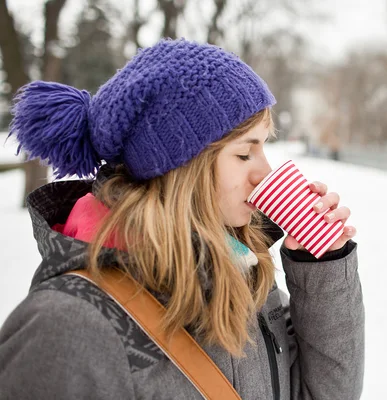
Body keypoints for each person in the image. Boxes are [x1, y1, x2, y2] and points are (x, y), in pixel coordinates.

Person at [0, 39, 364, 400]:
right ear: (181, 167)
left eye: (264, 146)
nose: (265, 172)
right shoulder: (67, 327)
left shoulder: (241, 274)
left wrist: (322, 267)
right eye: (243, 154)